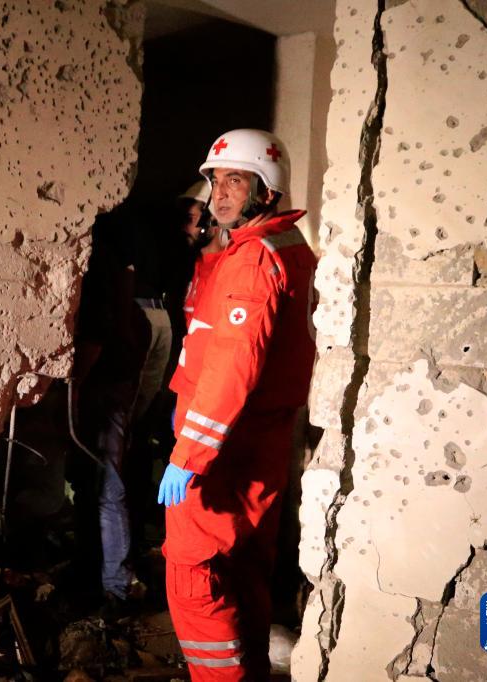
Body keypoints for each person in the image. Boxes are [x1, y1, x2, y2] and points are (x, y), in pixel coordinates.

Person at [156, 129, 318, 680]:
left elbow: (232, 366)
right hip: (259, 439)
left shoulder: (252, 258)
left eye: (235, 181)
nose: (219, 194)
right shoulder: (285, 246)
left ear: (266, 190)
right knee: (245, 568)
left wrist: (189, 454)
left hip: (225, 448)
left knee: (193, 573)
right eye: (215, 181)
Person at [70, 209, 151, 613]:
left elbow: (97, 333)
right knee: (99, 480)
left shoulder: (100, 260)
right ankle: (103, 573)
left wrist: (76, 385)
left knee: (106, 483)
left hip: (105, 380)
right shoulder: (119, 263)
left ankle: (116, 585)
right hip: (117, 375)